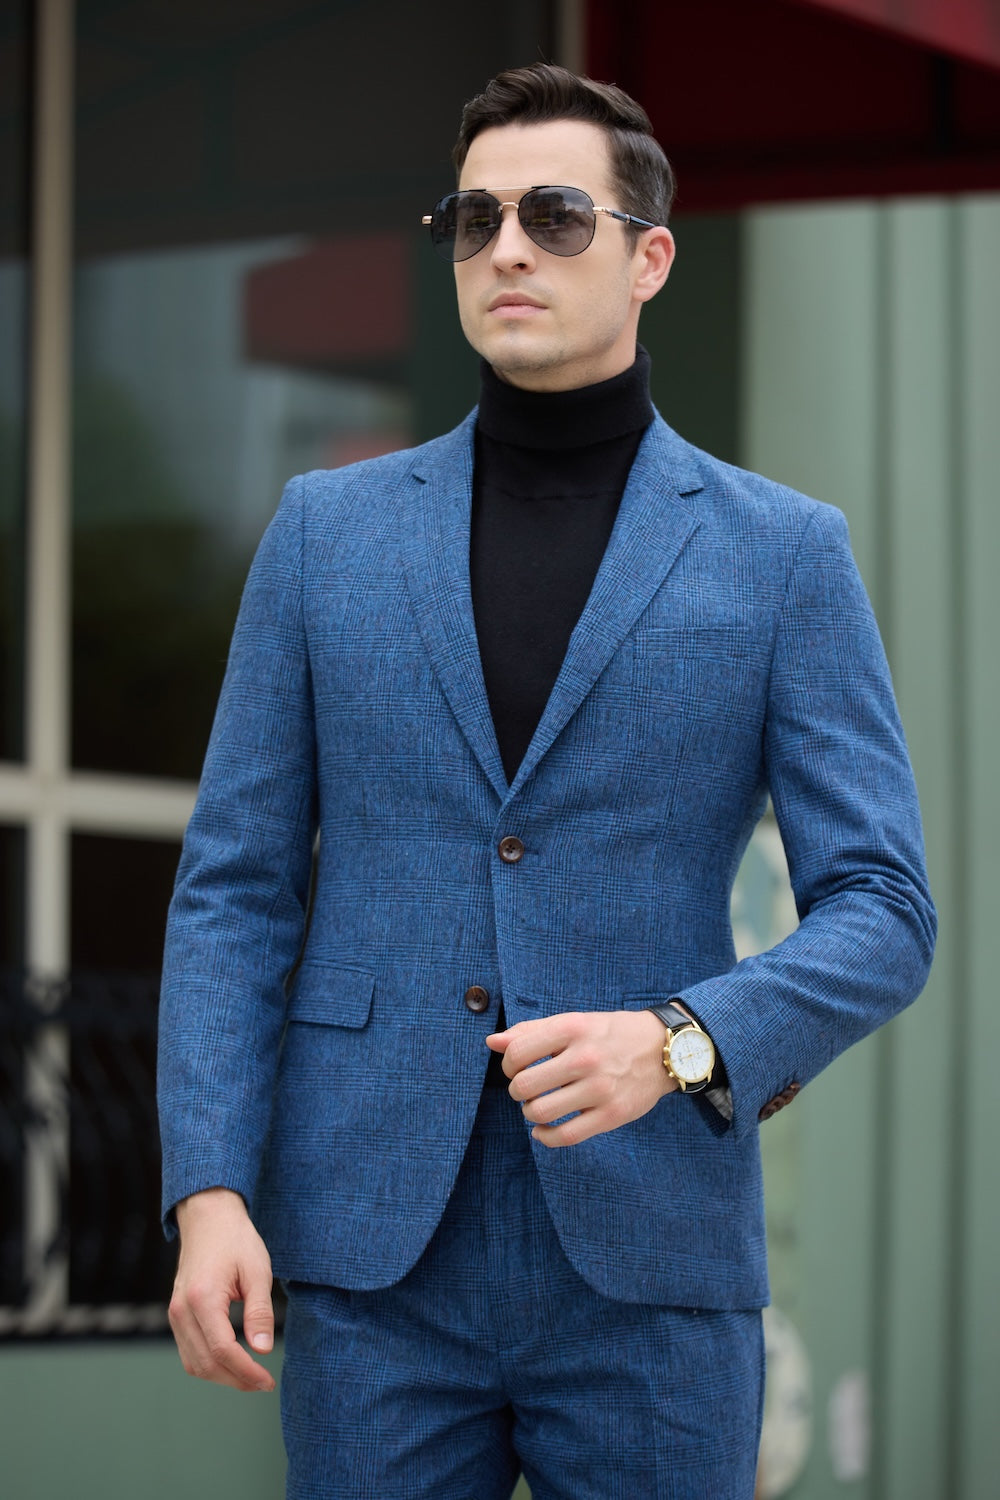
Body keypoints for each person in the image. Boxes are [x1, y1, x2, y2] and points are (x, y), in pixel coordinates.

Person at [158, 63, 936, 1499]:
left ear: (649, 257)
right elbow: (235, 889)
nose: (506, 247)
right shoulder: (324, 537)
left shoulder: (782, 556)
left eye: (556, 215)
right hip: (373, 1258)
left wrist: (684, 1041)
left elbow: (885, 908)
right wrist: (209, 1187)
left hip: (653, 1263)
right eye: (474, 218)